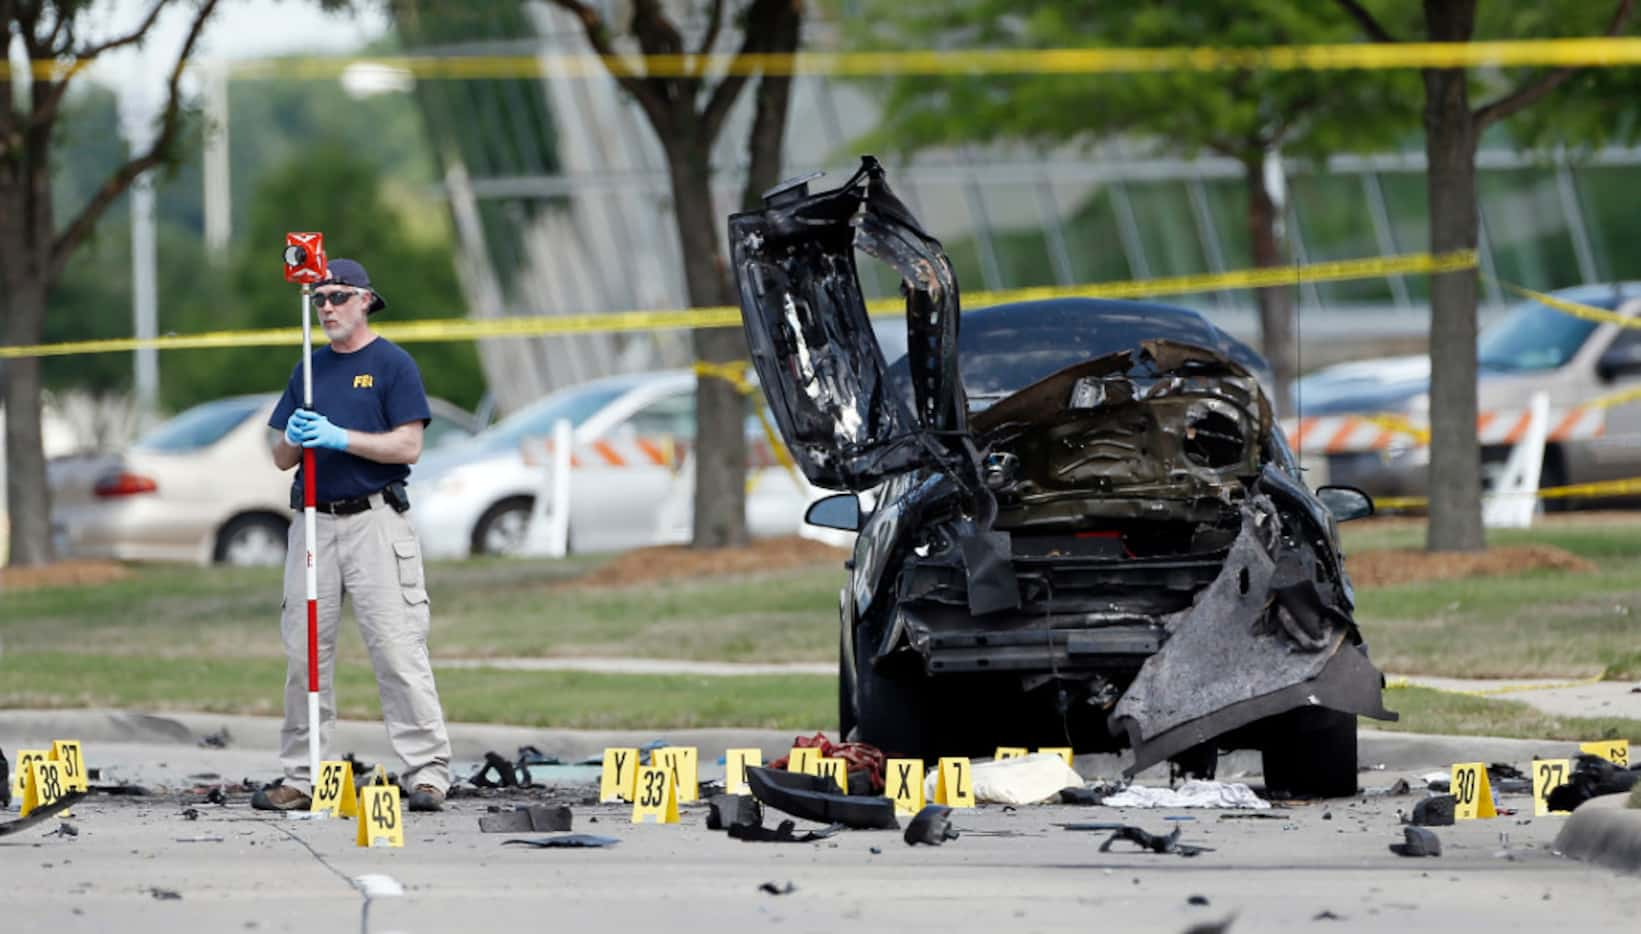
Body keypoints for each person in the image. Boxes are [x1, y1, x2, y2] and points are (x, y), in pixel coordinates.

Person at [252, 257, 453, 814]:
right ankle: (302, 773)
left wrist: (341, 437)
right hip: (314, 523)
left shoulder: (393, 364)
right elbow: (280, 458)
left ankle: (428, 772)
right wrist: (294, 438)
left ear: (366, 299)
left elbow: (408, 447)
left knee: (396, 647)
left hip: (374, 520)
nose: (327, 308)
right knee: (305, 653)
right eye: (319, 299)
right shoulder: (309, 371)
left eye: (338, 296)